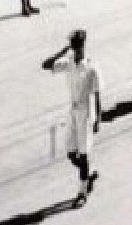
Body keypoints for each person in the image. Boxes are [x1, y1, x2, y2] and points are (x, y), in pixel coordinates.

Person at [41, 29, 102, 206]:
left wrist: (98, 118)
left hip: (86, 112)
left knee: (83, 155)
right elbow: (45, 65)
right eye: (72, 45)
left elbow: (98, 94)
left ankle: (82, 193)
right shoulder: (68, 64)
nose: (75, 48)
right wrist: (61, 51)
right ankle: (88, 176)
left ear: (83, 45)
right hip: (72, 111)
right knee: (71, 154)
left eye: (77, 45)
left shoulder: (91, 68)